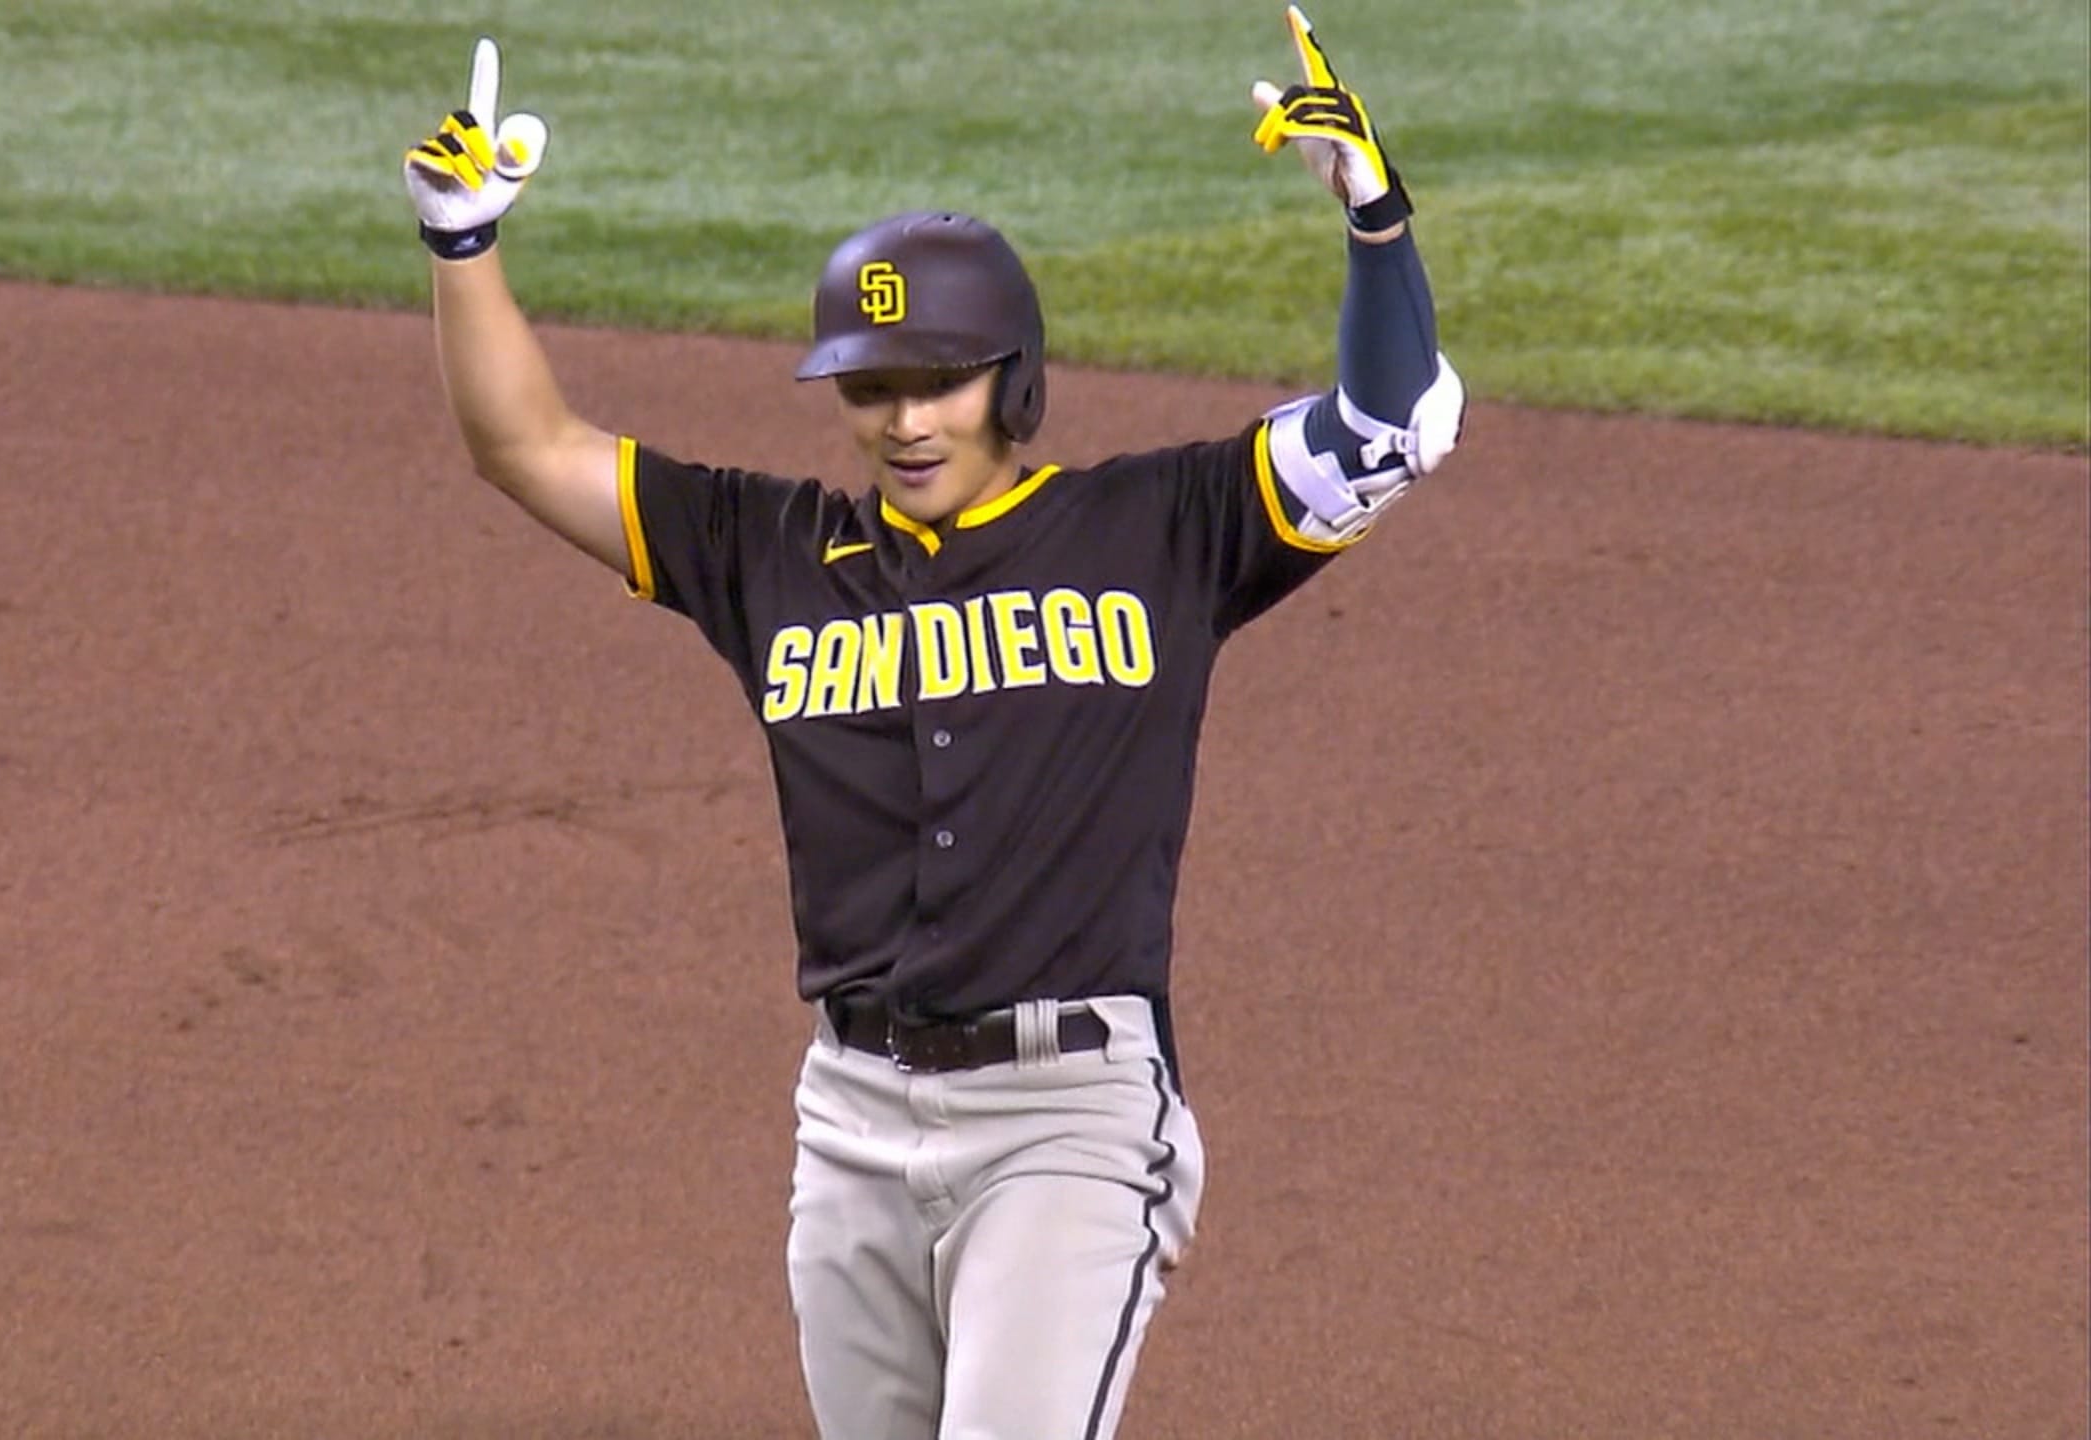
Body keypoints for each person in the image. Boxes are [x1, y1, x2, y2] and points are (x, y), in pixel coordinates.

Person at [403, 8, 1463, 1436]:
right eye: (873, 389)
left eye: (939, 383)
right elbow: (525, 446)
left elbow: (1389, 426)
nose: (905, 422)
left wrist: (1376, 225)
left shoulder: (1159, 527)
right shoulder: (769, 553)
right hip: (850, 1120)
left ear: (1013, 381)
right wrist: (462, 244)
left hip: (1067, 1123)